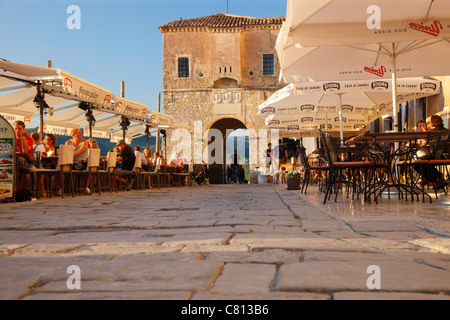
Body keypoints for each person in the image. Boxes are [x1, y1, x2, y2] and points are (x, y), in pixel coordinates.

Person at [66, 128, 90, 194]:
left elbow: (81, 150)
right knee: (61, 167)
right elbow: (66, 151)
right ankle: (61, 188)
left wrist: (71, 154)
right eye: (78, 133)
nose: (81, 134)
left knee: (87, 168)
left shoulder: (84, 141)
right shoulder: (68, 142)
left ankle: (86, 187)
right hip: (71, 162)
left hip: (81, 162)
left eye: (80, 132)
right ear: (73, 135)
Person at [13, 121, 34, 191]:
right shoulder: (11, 139)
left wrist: (22, 137)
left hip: (27, 163)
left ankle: (15, 190)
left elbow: (25, 151)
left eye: (19, 129)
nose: (17, 131)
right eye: (15, 128)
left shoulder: (28, 139)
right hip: (15, 161)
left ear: (23, 130)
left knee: (15, 163)